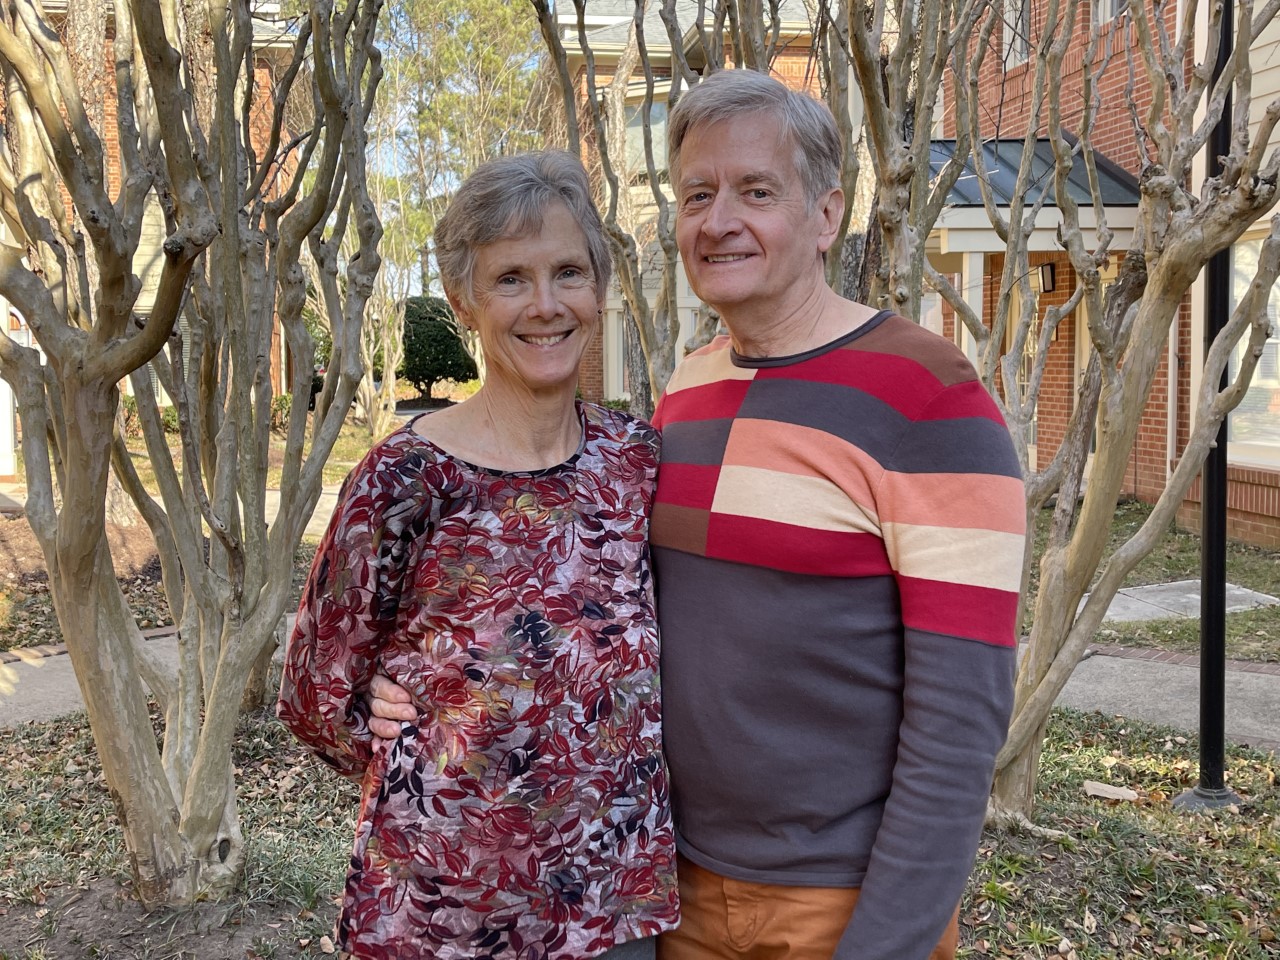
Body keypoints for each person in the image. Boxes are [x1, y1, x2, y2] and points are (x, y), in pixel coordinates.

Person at [372, 70, 1024, 960]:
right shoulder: (691, 388)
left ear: (828, 214)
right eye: (697, 195)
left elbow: (961, 725)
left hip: (834, 904)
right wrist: (423, 688)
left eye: (757, 191)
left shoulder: (931, 400)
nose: (720, 221)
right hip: (664, 895)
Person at [278, 151, 679, 960]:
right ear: (463, 298)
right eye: (510, 279)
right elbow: (314, 689)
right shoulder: (406, 477)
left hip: (614, 908)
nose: (545, 304)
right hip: (443, 913)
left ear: (598, 289)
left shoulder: (635, 460)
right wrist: (384, 719)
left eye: (569, 272)